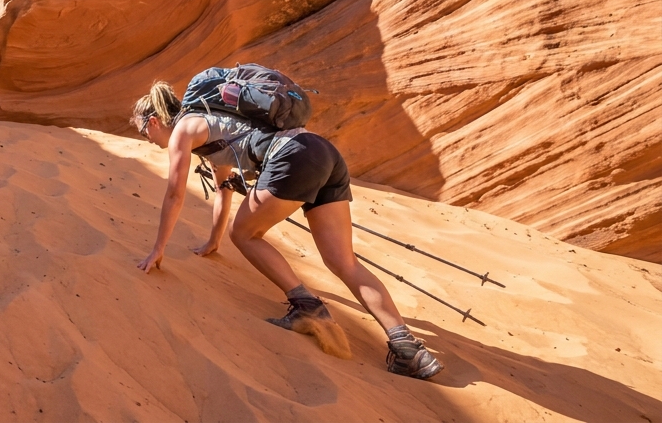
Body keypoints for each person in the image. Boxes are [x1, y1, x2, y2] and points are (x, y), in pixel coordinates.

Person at [130, 80, 443, 380]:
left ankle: (307, 305)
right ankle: (408, 350)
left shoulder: (183, 131)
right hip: (321, 151)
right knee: (342, 261)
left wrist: (159, 248)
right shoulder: (212, 123)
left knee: (244, 234)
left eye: (144, 131)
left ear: (155, 121)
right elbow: (224, 189)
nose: (147, 139)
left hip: (292, 156)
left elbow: (174, 193)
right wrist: (213, 240)